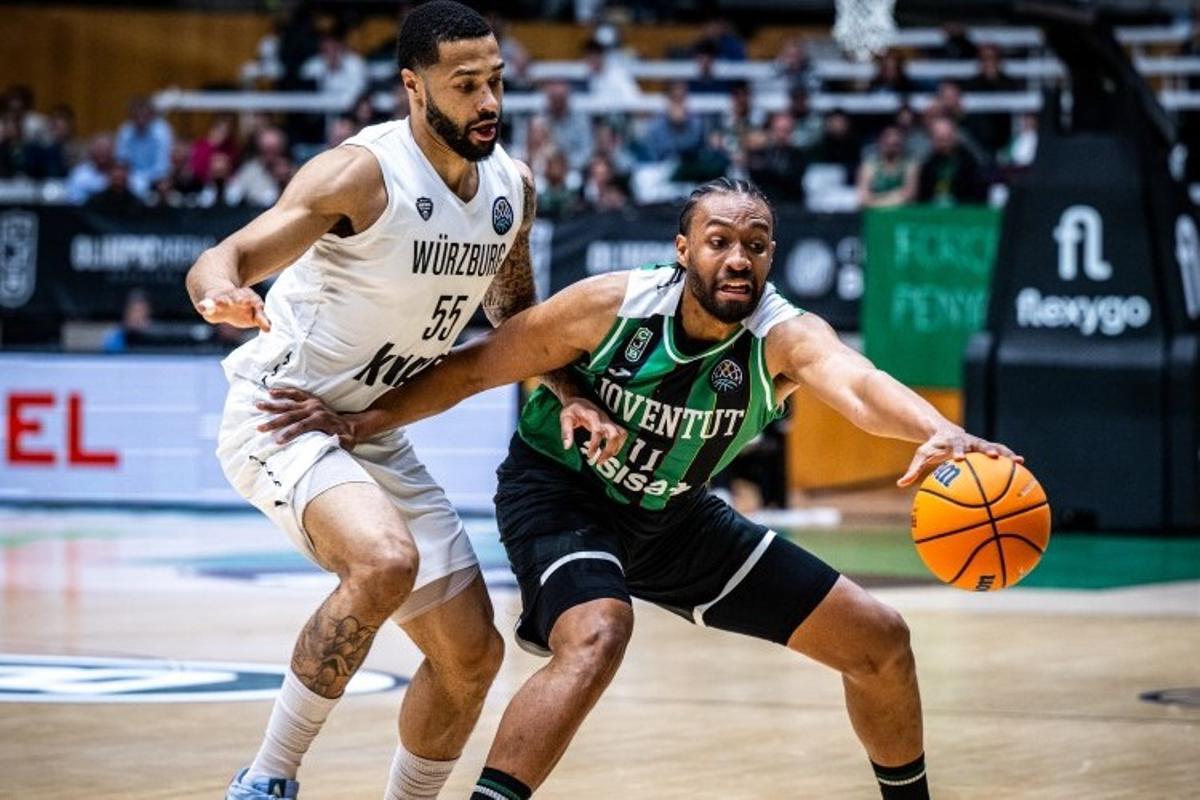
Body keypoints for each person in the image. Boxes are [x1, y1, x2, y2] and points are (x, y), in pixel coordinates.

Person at [261, 177, 1022, 800]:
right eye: (720, 240)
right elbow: (474, 368)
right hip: (561, 494)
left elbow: (856, 383)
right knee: (598, 632)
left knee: (881, 640)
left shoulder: (782, 334)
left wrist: (935, 430)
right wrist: (357, 424)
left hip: (676, 515)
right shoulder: (612, 306)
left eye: (755, 245)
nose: (738, 259)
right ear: (683, 248)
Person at [185, 4, 615, 799]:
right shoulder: (361, 174)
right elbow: (232, 252)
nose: (488, 103)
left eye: (495, 83)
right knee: (385, 561)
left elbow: (514, 320)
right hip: (285, 410)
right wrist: (220, 292)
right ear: (414, 88)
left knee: (472, 658)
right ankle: (266, 781)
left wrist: (566, 387)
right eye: (465, 86)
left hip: (368, 429)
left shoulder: (509, 188)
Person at [857, 126, 918, 208]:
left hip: (901, 212)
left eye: (895, 144)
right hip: (875, 213)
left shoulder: (910, 164)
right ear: (880, 142)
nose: (891, 147)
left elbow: (909, 195)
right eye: (888, 143)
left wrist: (876, 198)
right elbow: (864, 198)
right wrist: (896, 194)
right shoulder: (869, 165)